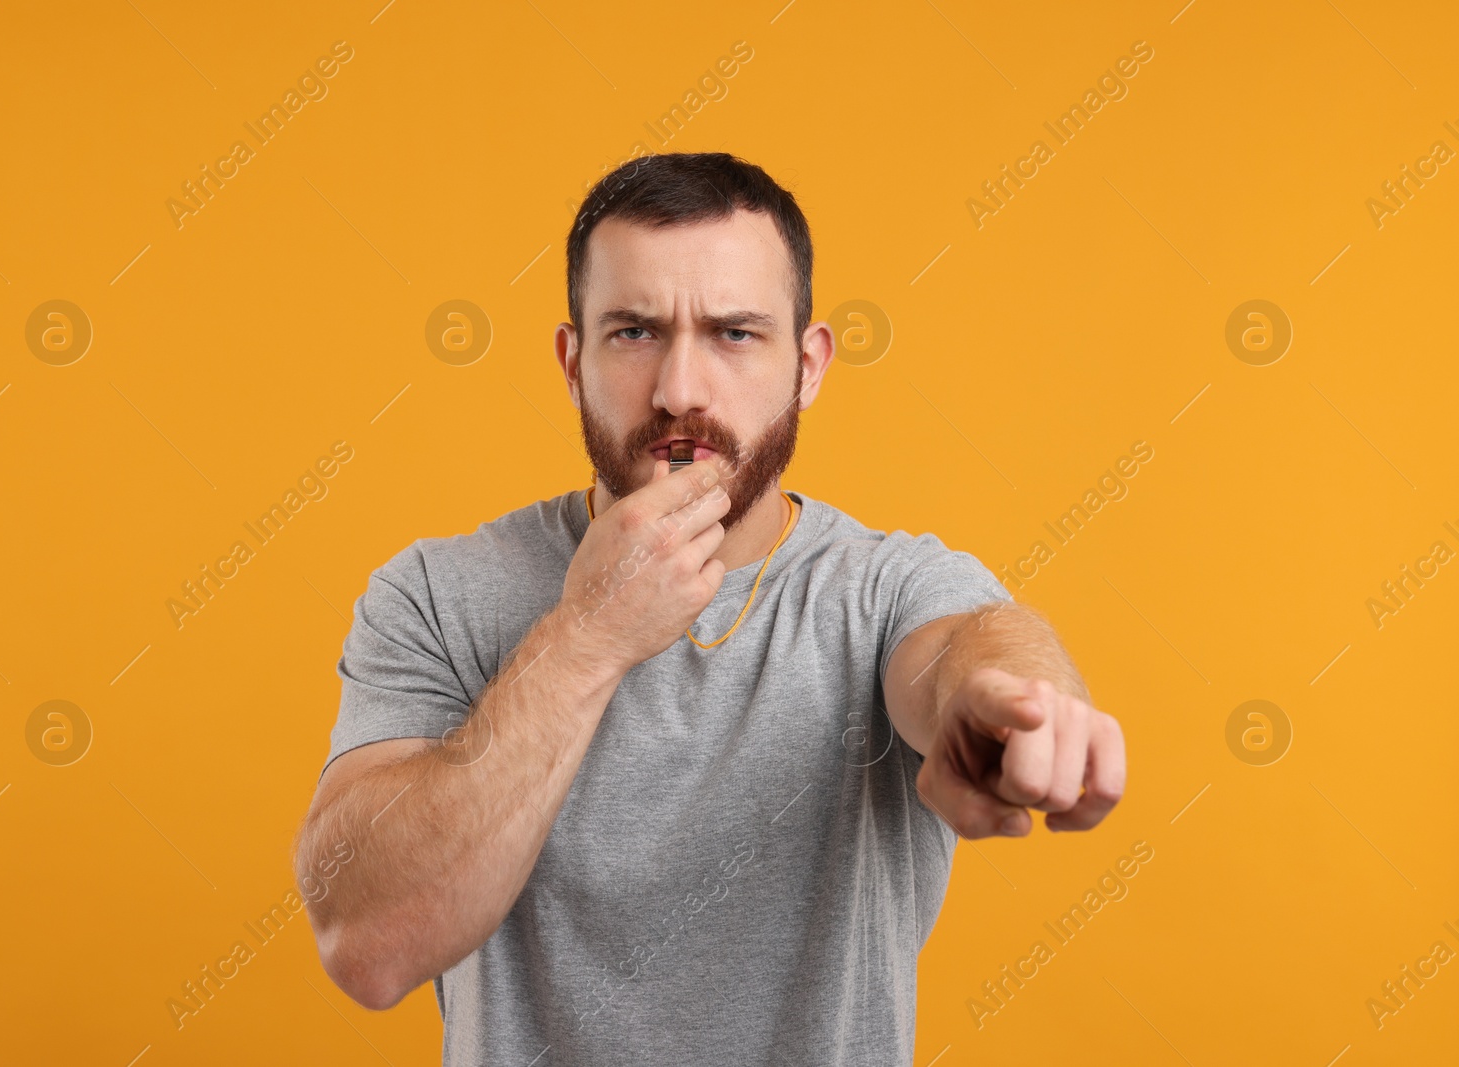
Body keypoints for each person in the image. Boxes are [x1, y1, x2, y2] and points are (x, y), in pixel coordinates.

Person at [293, 152, 1125, 1066]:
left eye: (733, 333)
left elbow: (975, 643)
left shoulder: (881, 589)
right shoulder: (436, 595)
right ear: (572, 362)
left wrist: (1019, 705)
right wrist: (588, 637)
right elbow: (367, 943)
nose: (680, 388)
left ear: (807, 367)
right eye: (635, 332)